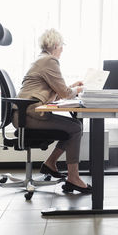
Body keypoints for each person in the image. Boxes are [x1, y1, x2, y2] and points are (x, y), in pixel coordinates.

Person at [12, 28, 91, 193]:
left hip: (25, 113)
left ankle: (50, 164)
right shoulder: (49, 61)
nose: (62, 50)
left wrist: (73, 88)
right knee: (75, 128)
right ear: (56, 45)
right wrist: (80, 89)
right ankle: (73, 178)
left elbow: (55, 94)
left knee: (74, 125)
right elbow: (65, 94)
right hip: (29, 115)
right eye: (62, 46)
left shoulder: (42, 60)